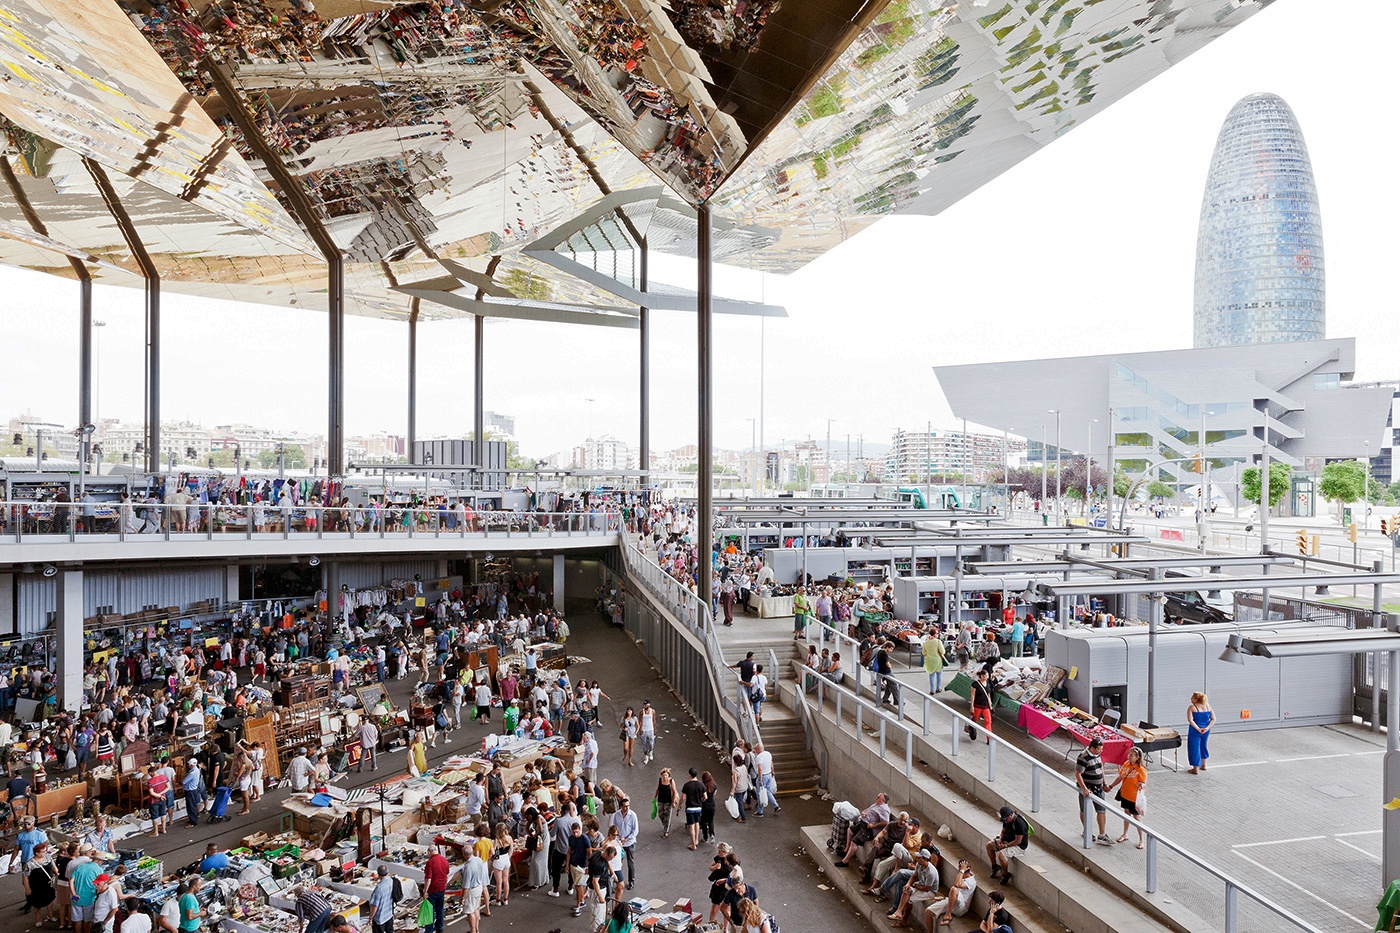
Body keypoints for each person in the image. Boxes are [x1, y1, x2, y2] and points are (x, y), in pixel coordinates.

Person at [1107, 747, 1148, 848]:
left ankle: (1141, 840)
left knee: (1136, 817)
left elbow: (1143, 783)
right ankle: (1125, 834)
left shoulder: (1141, 770)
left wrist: (1141, 787)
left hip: (1134, 798)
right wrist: (1111, 786)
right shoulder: (1126, 764)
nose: (1129, 757)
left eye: (1131, 755)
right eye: (1129, 755)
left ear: (1137, 757)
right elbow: (1121, 777)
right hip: (1125, 795)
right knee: (1126, 814)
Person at [887, 849, 938, 927]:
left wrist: (915, 886)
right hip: (919, 884)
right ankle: (899, 912)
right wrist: (908, 884)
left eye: (919, 858)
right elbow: (914, 876)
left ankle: (903, 920)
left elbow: (926, 888)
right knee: (906, 890)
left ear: (925, 859)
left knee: (909, 900)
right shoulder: (919, 865)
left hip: (929, 891)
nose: (917, 859)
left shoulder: (931, 872)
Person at [1075, 737, 1112, 844]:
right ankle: (1087, 831)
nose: (1101, 751)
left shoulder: (1097, 755)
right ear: (1092, 748)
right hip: (1088, 788)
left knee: (1101, 810)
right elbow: (1078, 774)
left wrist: (1104, 784)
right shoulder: (1083, 758)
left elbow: (1101, 769)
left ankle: (1102, 834)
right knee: (1084, 810)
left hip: (1098, 788)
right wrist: (1084, 789)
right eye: (1099, 749)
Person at [924, 859, 976, 929]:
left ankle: (948, 915)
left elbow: (957, 885)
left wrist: (962, 871)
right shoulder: (960, 875)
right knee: (928, 911)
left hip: (961, 908)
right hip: (952, 902)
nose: (959, 869)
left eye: (960, 868)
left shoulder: (971, 881)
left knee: (954, 889)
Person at [986, 806, 1028, 885]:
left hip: (1018, 846)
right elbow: (1003, 831)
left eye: (1006, 819)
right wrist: (1000, 840)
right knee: (989, 846)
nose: (1006, 821)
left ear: (1011, 815)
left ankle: (1005, 874)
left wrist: (1005, 846)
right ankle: (994, 867)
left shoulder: (1019, 823)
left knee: (1001, 855)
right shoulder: (1006, 820)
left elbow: (1018, 841)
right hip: (1007, 841)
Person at [24, 839, 57, 923]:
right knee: (37, 904)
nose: (45, 853)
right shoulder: (30, 864)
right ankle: (38, 919)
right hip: (36, 887)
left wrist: (57, 873)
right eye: (43, 851)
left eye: (45, 851)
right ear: (37, 853)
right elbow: (25, 877)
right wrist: (27, 888)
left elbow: (53, 866)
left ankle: (50, 915)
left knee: (50, 900)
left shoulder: (48, 857)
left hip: (48, 885)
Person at [610, 796, 639, 888]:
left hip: (629, 842)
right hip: (619, 843)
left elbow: (635, 830)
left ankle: (631, 881)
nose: (627, 808)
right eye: (625, 806)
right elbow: (614, 827)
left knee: (630, 862)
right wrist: (617, 837)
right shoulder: (616, 815)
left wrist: (626, 839)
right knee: (618, 862)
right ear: (621, 807)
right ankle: (617, 880)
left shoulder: (633, 815)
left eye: (628, 806)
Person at [460, 846, 488, 933]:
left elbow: (466, 886)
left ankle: (472, 930)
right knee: (476, 908)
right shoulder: (478, 860)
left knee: (470, 911)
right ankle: (476, 929)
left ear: (464, 855)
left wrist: (462, 897)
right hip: (479, 886)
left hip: (472, 890)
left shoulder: (468, 867)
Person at [423, 845, 451, 933]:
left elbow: (428, 879)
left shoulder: (430, 863)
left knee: (430, 910)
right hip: (442, 888)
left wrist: (425, 891)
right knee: (440, 908)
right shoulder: (444, 860)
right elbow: (447, 874)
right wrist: (445, 885)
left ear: (429, 852)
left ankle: (429, 930)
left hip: (432, 890)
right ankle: (439, 926)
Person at [1187, 691, 1214, 774]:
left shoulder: (1192, 707)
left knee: (1194, 748)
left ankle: (1195, 768)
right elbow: (1213, 719)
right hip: (1206, 730)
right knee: (1203, 745)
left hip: (1195, 730)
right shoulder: (1207, 706)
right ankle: (1203, 764)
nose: (1191, 698)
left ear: (1195, 699)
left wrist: (1198, 728)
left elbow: (1190, 720)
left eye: (1192, 697)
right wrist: (1206, 728)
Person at [681, 767, 706, 850]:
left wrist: (679, 805)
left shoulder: (687, 785)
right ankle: (696, 840)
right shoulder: (701, 785)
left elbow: (683, 797)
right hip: (698, 807)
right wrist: (700, 801)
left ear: (689, 775)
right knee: (697, 823)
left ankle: (693, 844)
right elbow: (705, 797)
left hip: (690, 808)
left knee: (691, 825)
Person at [366, 865, 395, 933]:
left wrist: (370, 918)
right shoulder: (391, 881)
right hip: (389, 913)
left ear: (378, 874)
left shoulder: (379, 888)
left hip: (380, 917)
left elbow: (375, 906)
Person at [969, 669, 993, 742]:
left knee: (988, 721)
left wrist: (990, 703)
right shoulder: (975, 684)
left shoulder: (988, 683)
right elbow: (972, 696)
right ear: (982, 676)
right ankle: (972, 731)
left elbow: (988, 694)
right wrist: (972, 706)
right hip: (977, 705)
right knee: (974, 719)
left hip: (986, 706)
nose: (988, 677)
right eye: (986, 675)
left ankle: (989, 738)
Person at [655, 768, 679, 838]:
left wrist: (673, 802)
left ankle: (666, 831)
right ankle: (665, 824)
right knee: (660, 814)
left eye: (666, 775)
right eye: (663, 775)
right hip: (660, 800)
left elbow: (674, 791)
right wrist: (654, 797)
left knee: (667, 815)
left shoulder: (671, 781)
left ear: (668, 775)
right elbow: (658, 789)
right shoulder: (660, 780)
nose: (665, 777)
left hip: (668, 801)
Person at [729, 752, 750, 823]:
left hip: (739, 789)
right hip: (745, 787)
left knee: (739, 803)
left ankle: (743, 818)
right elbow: (747, 775)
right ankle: (736, 814)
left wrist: (732, 790)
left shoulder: (735, 771)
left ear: (735, 762)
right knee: (739, 802)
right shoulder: (744, 767)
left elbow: (734, 782)